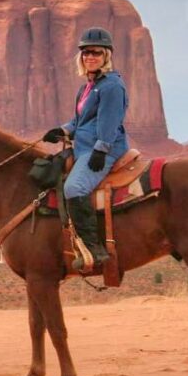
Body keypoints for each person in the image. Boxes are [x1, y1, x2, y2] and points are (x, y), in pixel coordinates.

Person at [41, 27, 129, 267]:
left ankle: (94, 250)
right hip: (83, 147)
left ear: (106, 55)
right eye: (86, 52)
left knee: (74, 187)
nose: (90, 57)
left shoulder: (112, 86)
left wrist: (101, 150)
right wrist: (62, 131)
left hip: (102, 149)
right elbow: (79, 121)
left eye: (96, 52)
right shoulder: (88, 86)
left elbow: (110, 121)